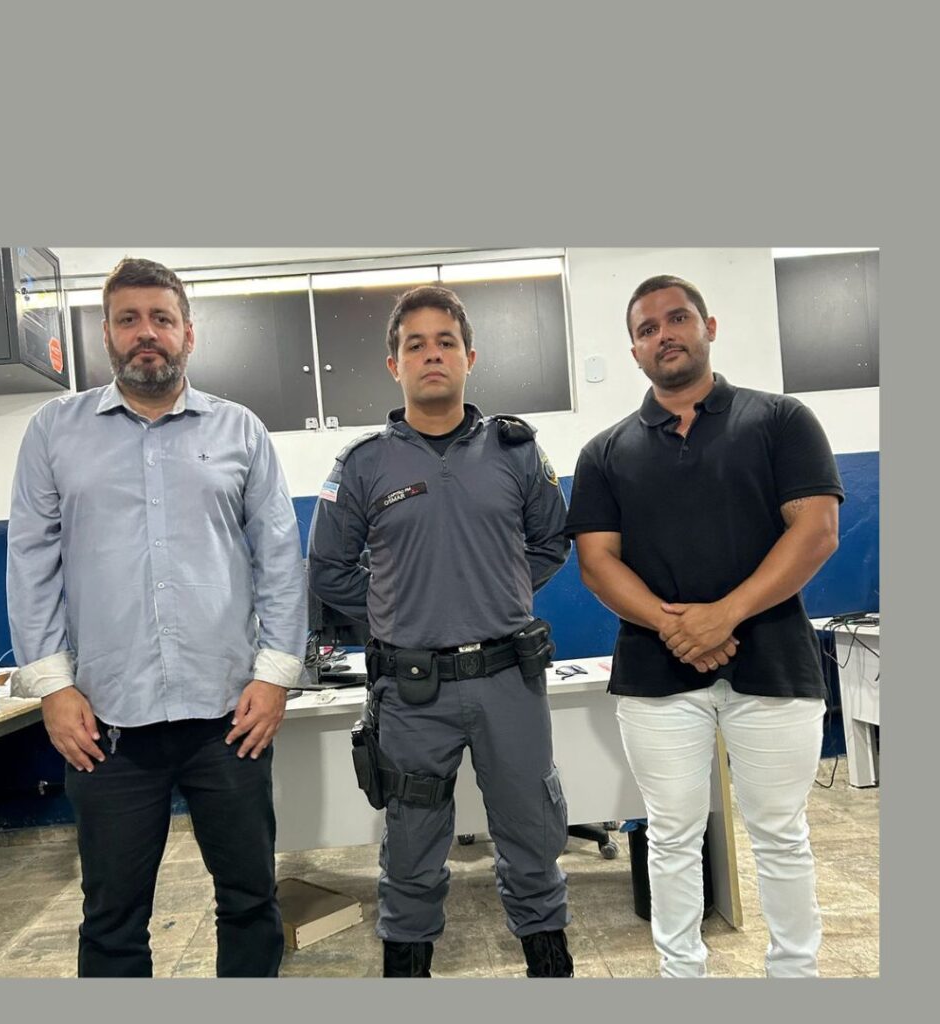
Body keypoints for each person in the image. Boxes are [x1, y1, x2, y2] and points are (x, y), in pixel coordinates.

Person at [6, 257, 308, 977]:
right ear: (106, 335)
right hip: (106, 725)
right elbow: (30, 563)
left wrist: (275, 676)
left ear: (187, 334)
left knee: (250, 899)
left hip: (228, 718)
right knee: (112, 917)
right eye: (129, 319)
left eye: (162, 319)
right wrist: (53, 688)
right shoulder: (54, 433)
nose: (147, 333)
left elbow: (279, 559)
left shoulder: (240, 431)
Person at [565, 274, 844, 978]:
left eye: (677, 318)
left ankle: (795, 978)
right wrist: (676, 627)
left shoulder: (781, 420)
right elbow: (597, 563)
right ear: (634, 350)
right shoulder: (604, 452)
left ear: (708, 327)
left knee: (780, 834)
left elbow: (816, 531)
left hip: (774, 661)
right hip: (656, 673)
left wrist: (726, 614)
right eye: (647, 328)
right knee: (671, 836)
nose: (665, 334)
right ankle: (682, 979)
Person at [307, 285, 574, 978]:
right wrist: (397, 610)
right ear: (393, 364)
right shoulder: (364, 464)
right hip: (412, 693)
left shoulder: (516, 452)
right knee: (411, 852)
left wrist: (498, 589)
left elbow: (551, 541)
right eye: (415, 344)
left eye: (446, 342)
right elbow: (329, 569)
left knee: (533, 839)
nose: (432, 355)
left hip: (509, 684)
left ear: (469, 357)